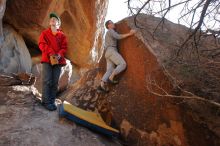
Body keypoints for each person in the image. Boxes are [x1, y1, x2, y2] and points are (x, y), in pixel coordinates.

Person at [38, 12, 67, 111]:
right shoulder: (44, 33)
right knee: (47, 80)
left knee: (55, 81)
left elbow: (64, 48)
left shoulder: (62, 35)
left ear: (58, 23)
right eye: (51, 19)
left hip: (58, 61)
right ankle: (45, 102)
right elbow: (41, 44)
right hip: (47, 59)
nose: (52, 20)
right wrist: (51, 52)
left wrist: (59, 54)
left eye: (55, 19)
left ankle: (52, 100)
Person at [98, 20, 136, 92]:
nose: (113, 23)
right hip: (112, 50)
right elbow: (118, 36)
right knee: (123, 64)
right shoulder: (111, 31)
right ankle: (111, 78)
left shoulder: (107, 34)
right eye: (112, 23)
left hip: (107, 53)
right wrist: (130, 34)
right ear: (108, 26)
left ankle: (101, 85)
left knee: (109, 70)